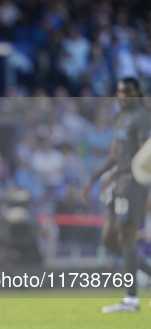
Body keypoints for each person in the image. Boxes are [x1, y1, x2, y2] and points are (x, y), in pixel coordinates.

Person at [80, 77, 151, 313]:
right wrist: (93, 178)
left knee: (126, 238)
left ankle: (131, 300)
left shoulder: (142, 118)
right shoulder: (120, 117)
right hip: (118, 184)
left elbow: (142, 157)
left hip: (133, 183)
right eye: (120, 92)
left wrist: (115, 173)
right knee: (109, 240)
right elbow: (114, 154)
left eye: (127, 92)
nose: (123, 96)